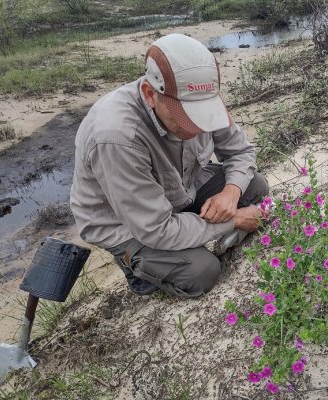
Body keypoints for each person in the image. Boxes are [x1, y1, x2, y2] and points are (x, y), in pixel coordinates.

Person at [70, 33, 268, 297]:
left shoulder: (203, 94)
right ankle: (134, 264)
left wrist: (231, 192)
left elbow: (240, 152)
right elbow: (156, 228)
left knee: (255, 186)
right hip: (128, 223)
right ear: (150, 94)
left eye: (202, 115)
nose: (197, 126)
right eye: (185, 117)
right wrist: (233, 221)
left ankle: (188, 238)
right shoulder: (117, 136)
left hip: (180, 190)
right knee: (200, 272)